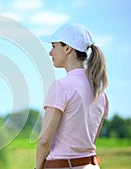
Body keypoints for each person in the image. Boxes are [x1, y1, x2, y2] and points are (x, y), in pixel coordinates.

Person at [35, 23, 109, 169]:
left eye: (54, 46)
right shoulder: (100, 90)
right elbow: (90, 139)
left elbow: (45, 140)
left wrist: (37, 167)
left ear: (67, 48)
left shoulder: (61, 86)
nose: (50, 53)